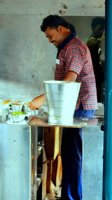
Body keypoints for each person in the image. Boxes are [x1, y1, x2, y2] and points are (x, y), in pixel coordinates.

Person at [28, 15, 98, 200]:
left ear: (60, 28)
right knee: (69, 153)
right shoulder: (66, 47)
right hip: (71, 106)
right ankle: (70, 195)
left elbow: (69, 80)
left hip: (79, 106)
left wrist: (42, 99)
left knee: (72, 155)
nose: (50, 40)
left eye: (50, 36)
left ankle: (72, 197)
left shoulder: (74, 47)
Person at [86, 17, 105, 102]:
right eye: (99, 29)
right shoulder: (93, 42)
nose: (102, 32)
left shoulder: (92, 41)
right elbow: (95, 62)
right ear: (93, 28)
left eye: (103, 29)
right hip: (95, 73)